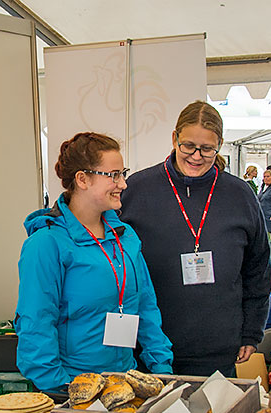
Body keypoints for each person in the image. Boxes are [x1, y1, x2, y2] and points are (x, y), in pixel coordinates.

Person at [120, 101, 271, 376]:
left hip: (218, 352)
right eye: (188, 146)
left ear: (220, 145)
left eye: (207, 149)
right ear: (174, 138)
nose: (196, 156)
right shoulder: (136, 190)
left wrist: (251, 331)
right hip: (149, 350)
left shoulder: (240, 195)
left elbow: (258, 270)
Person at [15, 132, 172, 392]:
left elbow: (145, 306)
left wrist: (161, 369)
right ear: (82, 179)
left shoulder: (125, 236)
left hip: (124, 386)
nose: (122, 184)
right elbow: (36, 325)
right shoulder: (47, 244)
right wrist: (63, 389)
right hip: (72, 390)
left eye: (123, 173)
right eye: (113, 175)